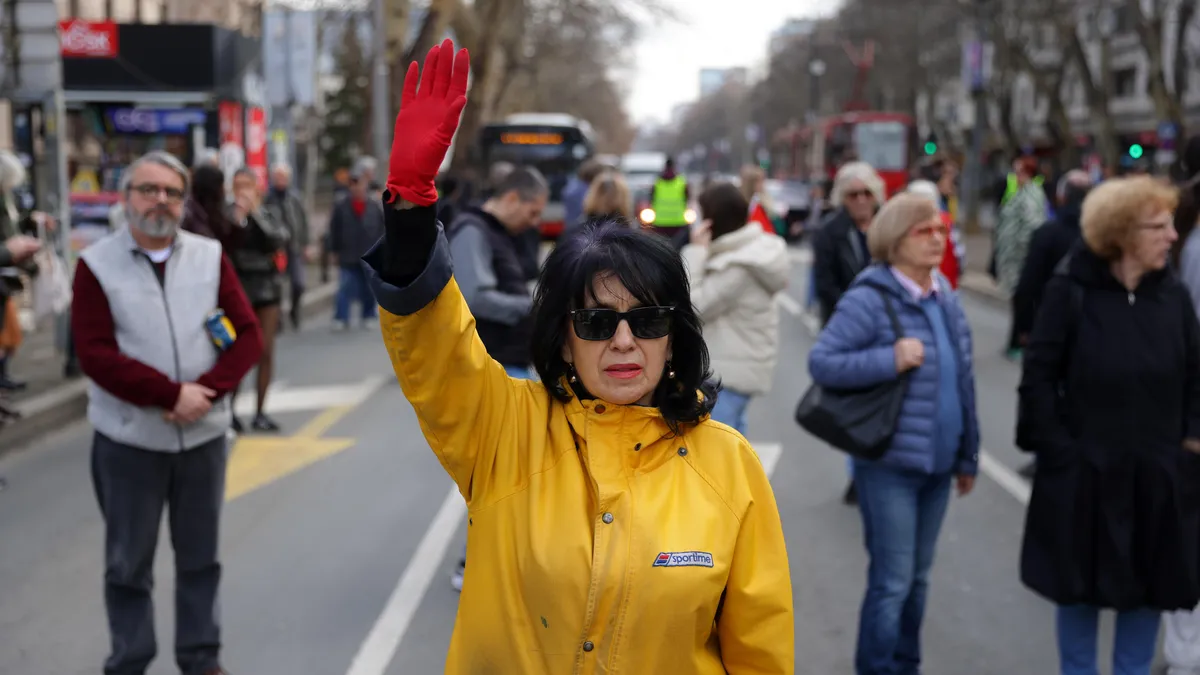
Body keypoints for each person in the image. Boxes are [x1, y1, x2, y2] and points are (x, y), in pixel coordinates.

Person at [362, 39, 793, 672]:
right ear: (563, 335)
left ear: (674, 335)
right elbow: (434, 345)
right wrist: (409, 209)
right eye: (596, 321)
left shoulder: (731, 467)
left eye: (646, 319)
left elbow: (760, 653)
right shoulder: (502, 431)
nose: (624, 341)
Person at [70, 150, 262, 675]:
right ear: (126, 197)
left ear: (184, 202)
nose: (161, 201)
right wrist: (167, 394)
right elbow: (95, 354)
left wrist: (205, 391)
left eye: (172, 193)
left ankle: (201, 658)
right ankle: (130, 660)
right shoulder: (95, 265)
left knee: (201, 560)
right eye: (149, 190)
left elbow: (247, 335)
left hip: (202, 438)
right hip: (130, 443)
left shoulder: (208, 254)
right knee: (128, 565)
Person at [1017, 175, 1200, 675]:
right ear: (1121, 234)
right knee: (1077, 593)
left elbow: (1196, 376)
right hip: (1085, 474)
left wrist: (1189, 443)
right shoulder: (1070, 290)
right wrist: (1059, 451)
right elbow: (1038, 377)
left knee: (1146, 593)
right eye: (1157, 226)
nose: (1171, 236)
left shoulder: (1175, 298)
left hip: (1157, 475)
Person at [808, 193, 980, 675]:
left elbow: (963, 380)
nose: (936, 239)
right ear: (894, 239)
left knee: (919, 581)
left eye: (940, 231)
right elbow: (823, 362)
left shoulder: (944, 294)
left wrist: (969, 455)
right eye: (922, 231)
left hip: (940, 465)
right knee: (892, 582)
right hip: (888, 467)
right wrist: (889, 358)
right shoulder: (870, 296)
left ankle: (907, 665)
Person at [444, 165, 548, 590]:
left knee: (508, 470)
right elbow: (476, 296)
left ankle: (489, 559)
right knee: (500, 471)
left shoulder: (493, 230)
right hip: (495, 363)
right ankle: (477, 563)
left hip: (506, 361)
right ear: (511, 199)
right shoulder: (472, 230)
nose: (535, 222)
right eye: (533, 211)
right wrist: (534, 307)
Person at [681, 182, 788, 435]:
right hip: (736, 368)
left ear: (711, 221)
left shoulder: (738, 266)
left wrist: (696, 251)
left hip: (727, 375)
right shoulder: (751, 250)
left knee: (718, 455)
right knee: (733, 446)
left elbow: (695, 307)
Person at [810, 160, 886, 505]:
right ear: (843, 197)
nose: (860, 200)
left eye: (866, 193)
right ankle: (860, 474)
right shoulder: (829, 231)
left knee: (885, 403)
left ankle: (875, 469)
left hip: (888, 331)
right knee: (856, 406)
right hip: (846, 329)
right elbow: (824, 283)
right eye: (853, 194)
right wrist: (856, 316)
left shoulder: (888, 227)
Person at [994, 155, 1048, 361]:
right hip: (1014, 258)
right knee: (1019, 302)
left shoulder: (1031, 194)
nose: (1015, 176)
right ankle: (1017, 340)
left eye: (1018, 172)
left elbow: (1032, 226)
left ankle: (1019, 342)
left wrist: (1025, 252)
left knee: (1023, 303)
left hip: (1021, 260)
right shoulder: (1021, 191)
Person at [328, 164, 386, 330]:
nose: (356, 187)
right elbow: (334, 229)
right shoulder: (341, 206)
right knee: (345, 286)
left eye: (359, 183)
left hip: (369, 252)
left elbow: (382, 229)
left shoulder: (374, 205)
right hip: (348, 252)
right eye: (352, 183)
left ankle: (368, 314)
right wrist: (334, 251)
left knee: (369, 287)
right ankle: (341, 317)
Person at [265, 162, 311, 331]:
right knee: (277, 284)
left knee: (298, 283)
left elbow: (303, 221)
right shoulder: (267, 198)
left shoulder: (295, 198)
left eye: (283, 177)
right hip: (277, 249)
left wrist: (306, 244)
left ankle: (294, 310)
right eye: (277, 177)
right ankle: (277, 319)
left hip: (295, 246)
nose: (280, 180)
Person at [649, 157, 690, 248]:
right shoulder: (681, 182)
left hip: (660, 223)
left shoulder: (657, 183)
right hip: (678, 222)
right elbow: (687, 198)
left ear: (665, 166)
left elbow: (651, 198)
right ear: (674, 167)